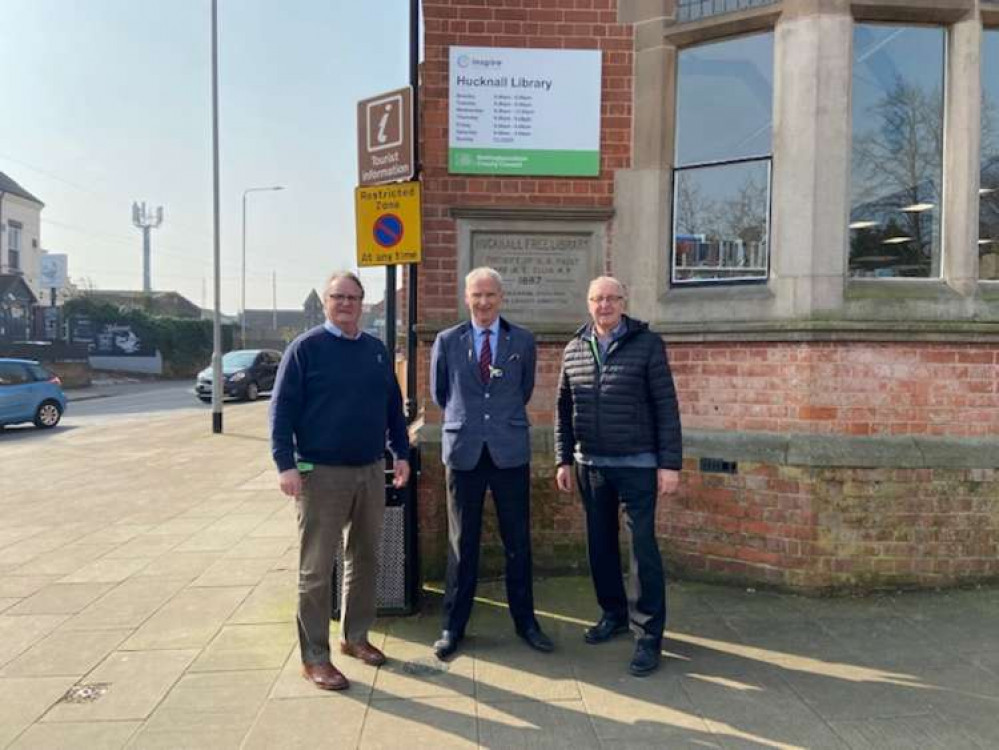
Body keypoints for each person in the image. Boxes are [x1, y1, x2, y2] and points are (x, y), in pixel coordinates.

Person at [270, 270, 410, 691]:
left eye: (353, 297)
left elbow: (392, 407)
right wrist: (285, 464)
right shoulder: (305, 349)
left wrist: (399, 453)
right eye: (338, 297)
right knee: (316, 569)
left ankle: (355, 637)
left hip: (370, 469)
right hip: (320, 472)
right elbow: (281, 411)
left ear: (362, 303)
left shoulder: (376, 351)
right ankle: (315, 657)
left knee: (366, 557)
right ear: (327, 302)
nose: (346, 303)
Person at [554, 276, 682, 676]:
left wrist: (670, 464)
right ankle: (612, 614)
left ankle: (648, 635)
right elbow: (562, 410)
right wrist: (562, 460)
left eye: (612, 298)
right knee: (600, 545)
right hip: (590, 464)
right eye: (597, 298)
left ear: (623, 302)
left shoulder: (647, 345)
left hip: (639, 464)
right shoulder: (574, 348)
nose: (604, 305)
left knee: (642, 549)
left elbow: (666, 405)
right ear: (588, 303)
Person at [429, 266, 553, 660]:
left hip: (509, 451)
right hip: (464, 452)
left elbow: (524, 388)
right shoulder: (448, 340)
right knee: (461, 543)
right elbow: (440, 393)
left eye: (490, 295)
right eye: (476, 295)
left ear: (501, 298)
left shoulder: (523, 340)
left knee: (517, 541)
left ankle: (526, 622)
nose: (483, 302)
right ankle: (453, 625)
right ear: (466, 297)